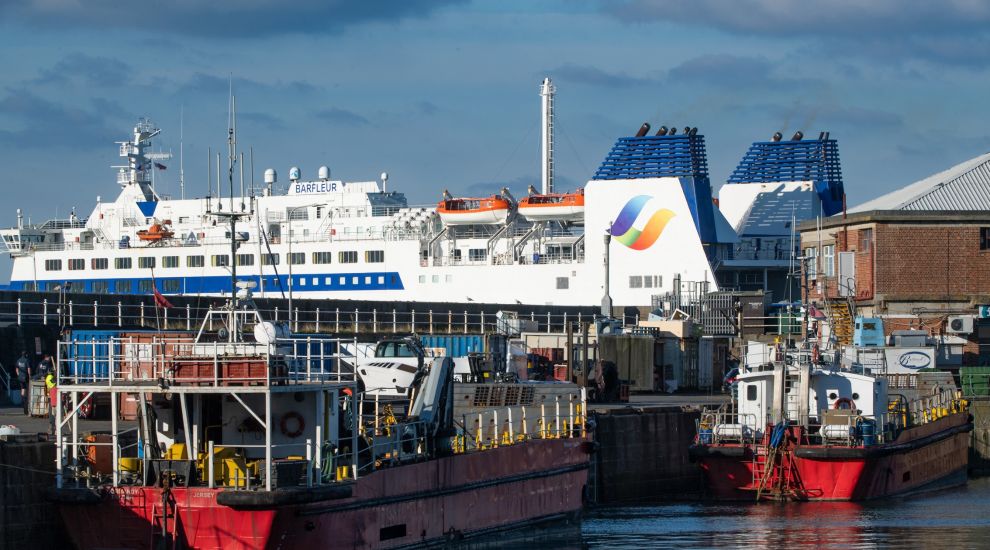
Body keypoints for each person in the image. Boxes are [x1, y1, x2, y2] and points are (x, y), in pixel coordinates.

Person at [46, 372, 57, 436]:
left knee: (53, 416)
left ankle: (53, 429)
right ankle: (54, 429)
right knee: (54, 416)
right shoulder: (50, 378)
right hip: (53, 399)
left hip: (52, 399)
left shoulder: (49, 378)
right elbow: (52, 384)